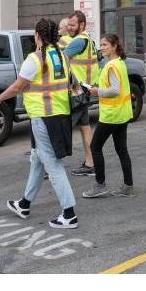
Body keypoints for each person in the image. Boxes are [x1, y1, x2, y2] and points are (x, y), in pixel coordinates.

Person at [0, 18, 78, 229]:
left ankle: (69, 214)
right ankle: (24, 204)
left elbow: (17, 87)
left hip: (43, 118)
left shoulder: (35, 59)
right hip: (60, 116)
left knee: (52, 165)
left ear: (38, 35)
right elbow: (72, 84)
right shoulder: (63, 56)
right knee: (38, 159)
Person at [81, 33, 134, 198]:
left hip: (112, 115)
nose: (101, 48)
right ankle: (128, 186)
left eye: (105, 45)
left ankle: (100, 184)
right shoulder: (119, 63)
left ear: (114, 46)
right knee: (121, 150)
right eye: (101, 45)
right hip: (122, 113)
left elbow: (114, 90)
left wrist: (97, 91)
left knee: (95, 147)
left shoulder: (111, 66)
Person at [63, 10, 97, 177]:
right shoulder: (88, 39)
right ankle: (91, 164)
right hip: (84, 89)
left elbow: (60, 59)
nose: (69, 27)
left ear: (81, 25)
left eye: (72, 25)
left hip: (77, 91)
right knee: (85, 128)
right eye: (68, 24)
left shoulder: (78, 42)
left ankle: (50, 165)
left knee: (62, 127)